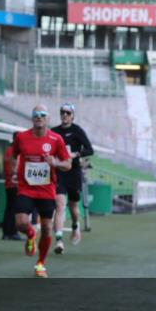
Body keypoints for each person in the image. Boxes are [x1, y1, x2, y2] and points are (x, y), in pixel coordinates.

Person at [11, 105, 73, 278]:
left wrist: (56, 163)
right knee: (21, 223)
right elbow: (13, 155)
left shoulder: (56, 139)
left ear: (48, 118)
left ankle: (40, 264)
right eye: (36, 115)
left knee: (47, 228)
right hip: (26, 188)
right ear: (32, 118)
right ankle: (31, 233)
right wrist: (14, 171)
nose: (39, 117)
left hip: (46, 190)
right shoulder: (22, 137)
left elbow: (67, 164)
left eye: (42, 114)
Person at [51, 103, 94, 251]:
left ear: (73, 116)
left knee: (73, 206)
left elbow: (90, 150)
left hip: (74, 172)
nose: (65, 115)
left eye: (68, 113)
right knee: (60, 205)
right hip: (59, 172)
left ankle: (76, 225)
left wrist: (75, 154)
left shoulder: (77, 131)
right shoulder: (54, 132)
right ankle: (59, 240)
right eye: (62, 112)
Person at [1, 131, 22, 241]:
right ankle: (12, 232)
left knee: (9, 208)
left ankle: (6, 233)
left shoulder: (8, 150)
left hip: (9, 184)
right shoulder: (14, 152)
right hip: (14, 185)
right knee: (14, 209)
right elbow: (14, 169)